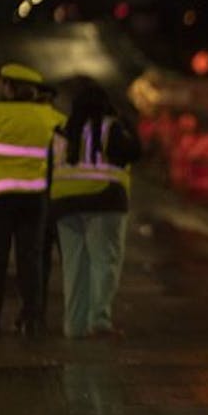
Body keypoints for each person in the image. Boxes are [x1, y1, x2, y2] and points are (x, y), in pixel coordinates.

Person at [0, 63, 66, 337]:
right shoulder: (49, 116)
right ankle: (33, 320)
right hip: (34, 199)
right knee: (30, 259)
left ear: (9, 87)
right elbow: (63, 153)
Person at [49, 77, 141, 339]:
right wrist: (129, 125)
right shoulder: (109, 128)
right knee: (104, 262)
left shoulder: (61, 130)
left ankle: (74, 327)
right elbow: (134, 152)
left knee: (74, 267)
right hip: (105, 202)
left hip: (65, 205)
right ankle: (99, 322)